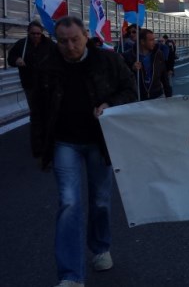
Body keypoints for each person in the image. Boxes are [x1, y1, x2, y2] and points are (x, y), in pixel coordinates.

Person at [30, 16, 136, 287]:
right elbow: (38, 110)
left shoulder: (108, 61)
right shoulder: (47, 65)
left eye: (75, 39)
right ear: (56, 40)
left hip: (100, 141)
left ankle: (100, 248)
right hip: (64, 142)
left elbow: (129, 89)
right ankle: (71, 275)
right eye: (63, 41)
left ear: (86, 35)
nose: (69, 46)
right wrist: (40, 149)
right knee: (69, 203)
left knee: (100, 200)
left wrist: (109, 104)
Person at [8, 20, 54, 108]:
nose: (36, 36)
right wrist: (16, 60)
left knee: (48, 108)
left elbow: (58, 57)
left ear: (42, 32)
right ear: (28, 32)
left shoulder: (49, 44)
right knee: (34, 109)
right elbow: (10, 58)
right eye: (33, 33)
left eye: (38, 33)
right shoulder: (21, 44)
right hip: (29, 84)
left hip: (47, 84)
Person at [123, 28, 172, 100]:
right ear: (142, 41)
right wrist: (132, 69)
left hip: (157, 95)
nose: (154, 42)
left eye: (154, 39)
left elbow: (164, 76)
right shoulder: (128, 55)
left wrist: (169, 96)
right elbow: (122, 79)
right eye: (151, 40)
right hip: (138, 98)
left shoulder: (158, 54)